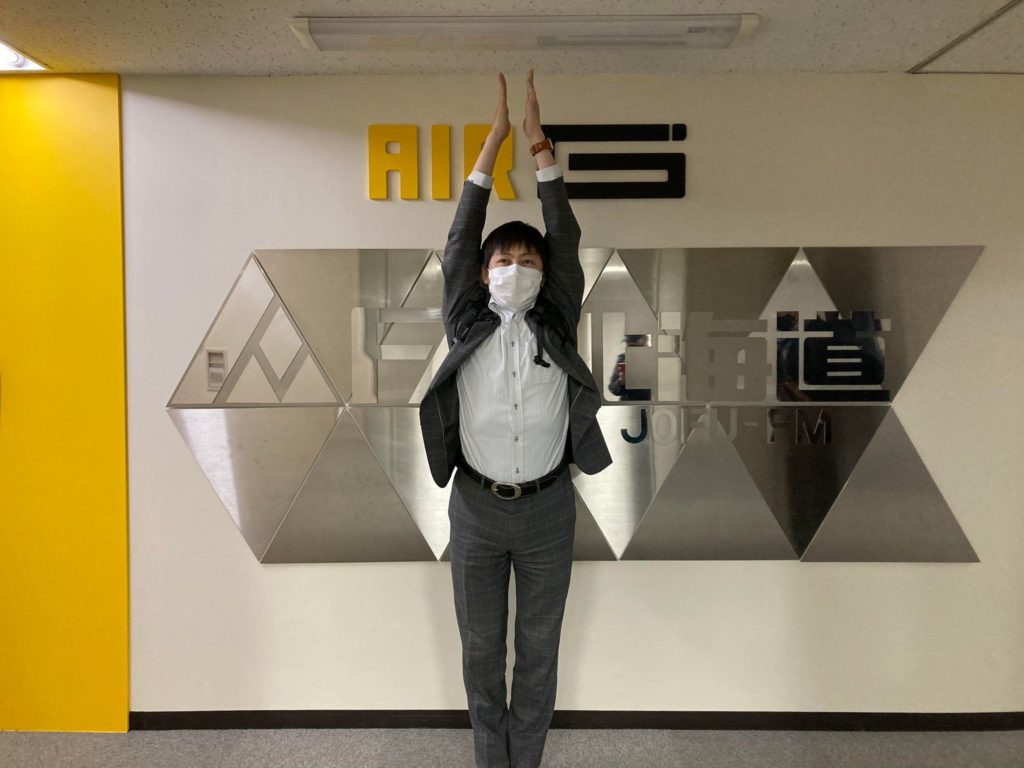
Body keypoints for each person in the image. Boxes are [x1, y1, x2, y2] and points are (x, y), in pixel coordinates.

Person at [418, 70, 612, 768]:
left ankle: (523, 763)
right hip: (475, 508)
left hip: (548, 509)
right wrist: (492, 142)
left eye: (529, 260)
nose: (517, 268)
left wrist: (538, 147)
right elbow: (459, 238)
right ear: (483, 272)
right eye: (504, 259)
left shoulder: (556, 321)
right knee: (479, 651)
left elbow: (566, 233)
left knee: (537, 650)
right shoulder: (466, 321)